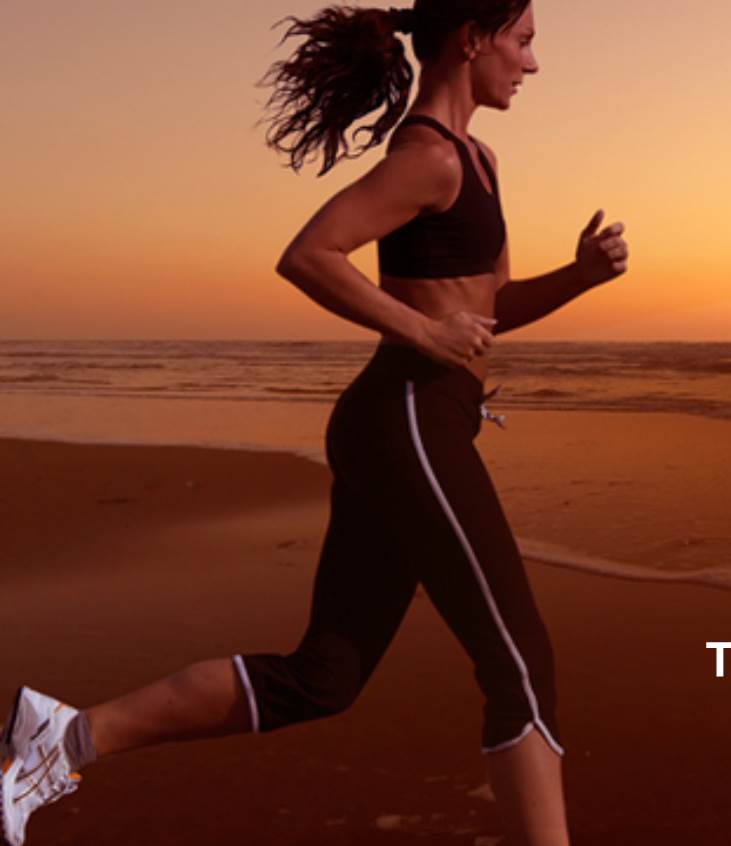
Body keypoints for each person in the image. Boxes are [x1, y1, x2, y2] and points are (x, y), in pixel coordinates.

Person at [0, 2, 625, 844]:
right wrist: (425, 332)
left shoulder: (475, 159)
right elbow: (309, 253)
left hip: (412, 421)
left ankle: (63, 736)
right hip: (408, 416)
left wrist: (580, 277)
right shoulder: (429, 155)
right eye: (523, 42)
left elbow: (489, 306)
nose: (532, 64)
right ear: (471, 39)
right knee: (520, 663)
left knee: (324, 677)